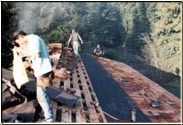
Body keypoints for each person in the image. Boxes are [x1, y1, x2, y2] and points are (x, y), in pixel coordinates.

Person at [12, 31, 53, 122]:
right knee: (43, 95)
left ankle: (49, 119)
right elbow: (36, 54)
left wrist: (22, 52)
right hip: (41, 70)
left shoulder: (33, 39)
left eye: (19, 42)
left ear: (20, 37)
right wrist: (30, 59)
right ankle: (48, 115)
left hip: (42, 71)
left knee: (41, 96)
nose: (21, 44)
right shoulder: (34, 39)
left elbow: (37, 53)